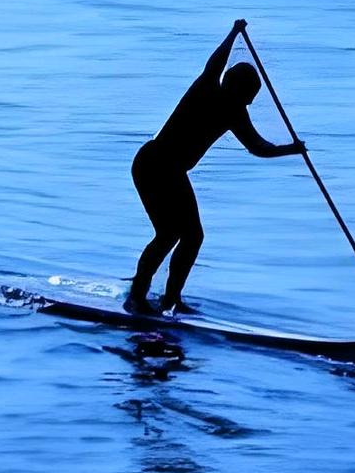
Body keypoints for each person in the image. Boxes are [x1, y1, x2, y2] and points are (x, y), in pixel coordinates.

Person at [126, 19, 305, 315]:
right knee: (169, 233)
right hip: (153, 165)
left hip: (173, 171)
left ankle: (171, 299)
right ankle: (137, 296)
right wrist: (233, 33)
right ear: (236, 87)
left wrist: (292, 149)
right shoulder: (207, 87)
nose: (249, 104)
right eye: (248, 96)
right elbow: (217, 61)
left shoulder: (235, 112)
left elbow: (258, 147)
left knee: (192, 236)